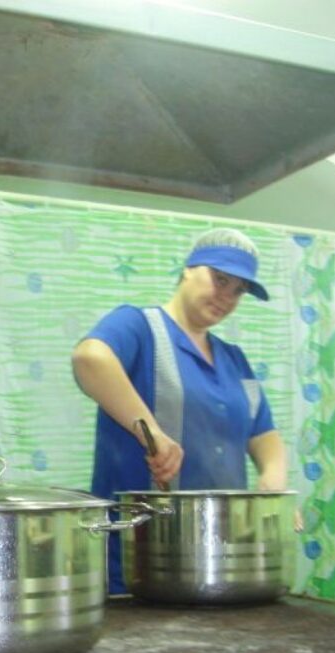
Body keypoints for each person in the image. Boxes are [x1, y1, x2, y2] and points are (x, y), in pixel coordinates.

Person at [71, 227, 287, 594]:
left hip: (220, 555)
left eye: (239, 290)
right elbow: (89, 358)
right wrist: (151, 432)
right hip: (141, 557)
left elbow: (263, 435)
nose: (228, 297)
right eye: (220, 280)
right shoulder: (138, 326)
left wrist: (273, 479)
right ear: (189, 269)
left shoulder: (234, 359)